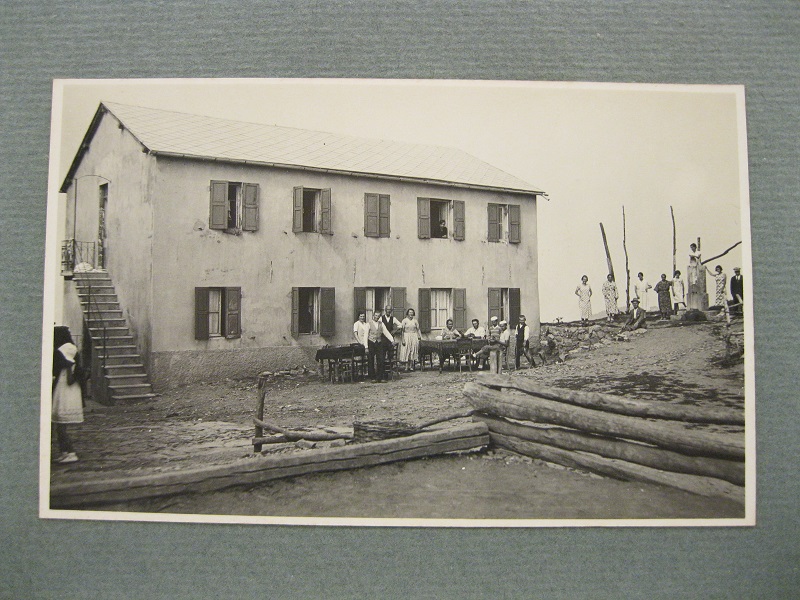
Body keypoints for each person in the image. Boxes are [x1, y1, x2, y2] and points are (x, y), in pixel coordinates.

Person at [52, 326, 84, 464]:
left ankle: (70, 452)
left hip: (65, 388)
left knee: (61, 424)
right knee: (59, 424)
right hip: (66, 386)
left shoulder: (64, 350)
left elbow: (68, 370)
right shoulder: (70, 348)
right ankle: (64, 452)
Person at [367, 312, 394, 383]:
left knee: (381, 359)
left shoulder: (381, 324)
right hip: (371, 342)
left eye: (378, 316)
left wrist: (392, 340)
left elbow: (386, 332)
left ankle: (380, 377)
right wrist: (366, 347)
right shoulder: (368, 324)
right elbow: (365, 336)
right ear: (373, 316)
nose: (377, 317)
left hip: (379, 342)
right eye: (375, 315)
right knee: (371, 360)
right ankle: (372, 377)